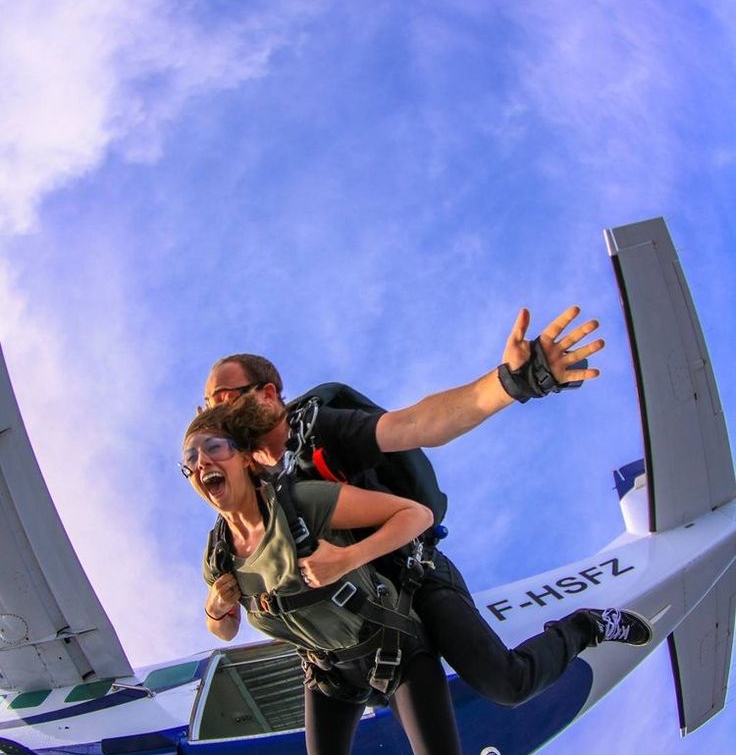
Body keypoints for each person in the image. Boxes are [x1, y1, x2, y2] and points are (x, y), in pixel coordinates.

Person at [199, 306, 653, 725]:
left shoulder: (319, 430)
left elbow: (416, 424)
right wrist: (219, 606)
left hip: (409, 570)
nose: (213, 414)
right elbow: (232, 597)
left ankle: (587, 625)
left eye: (221, 398)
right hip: (362, 611)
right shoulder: (242, 482)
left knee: (506, 684)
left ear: (268, 394)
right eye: (205, 408)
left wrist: (513, 382)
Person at [182, 402, 515, 755]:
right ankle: (364, 694)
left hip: (394, 647)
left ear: (246, 458)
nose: (201, 462)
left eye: (213, 447)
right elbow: (225, 629)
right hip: (328, 669)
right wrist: (215, 609)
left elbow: (417, 515)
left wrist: (348, 557)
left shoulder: (299, 504)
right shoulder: (217, 556)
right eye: (190, 459)